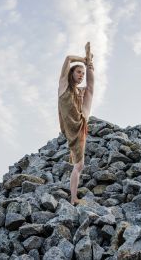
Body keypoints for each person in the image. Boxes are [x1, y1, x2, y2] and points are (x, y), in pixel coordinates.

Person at [58, 44, 94, 205]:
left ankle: (73, 198)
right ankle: (73, 198)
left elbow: (90, 87)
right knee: (78, 165)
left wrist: (88, 64)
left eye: (83, 73)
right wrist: (83, 59)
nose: (81, 75)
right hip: (70, 126)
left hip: (81, 122)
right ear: (71, 72)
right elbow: (68, 59)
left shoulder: (81, 91)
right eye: (79, 72)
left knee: (79, 165)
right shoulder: (63, 86)